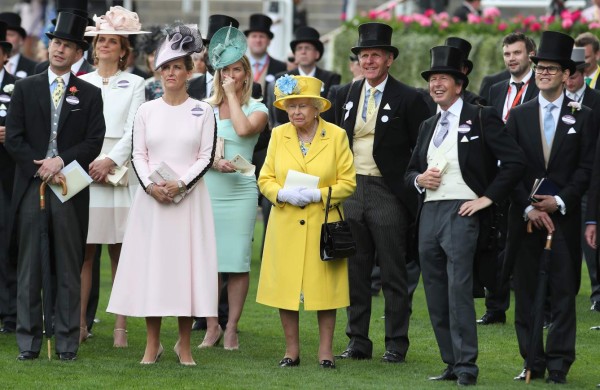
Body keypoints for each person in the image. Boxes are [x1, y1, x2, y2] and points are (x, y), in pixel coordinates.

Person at [405, 45, 525, 386]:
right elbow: (410, 170)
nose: (437, 84)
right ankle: (450, 362)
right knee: (435, 291)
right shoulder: (429, 124)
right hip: (429, 212)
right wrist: (418, 179)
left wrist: (487, 198)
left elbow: (514, 162)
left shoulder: (482, 116)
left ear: (460, 83)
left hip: (462, 211)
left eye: (444, 78)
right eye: (433, 79)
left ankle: (467, 367)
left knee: (458, 290)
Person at [106, 23, 218, 366]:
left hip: (189, 202)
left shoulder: (204, 111)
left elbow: (206, 156)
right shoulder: (146, 110)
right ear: (159, 71)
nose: (171, 73)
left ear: (189, 71)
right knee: (153, 270)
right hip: (151, 202)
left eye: (178, 67)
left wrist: (181, 184)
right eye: (166, 67)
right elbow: (138, 155)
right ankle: (151, 344)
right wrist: (152, 187)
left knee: (186, 271)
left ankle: (184, 345)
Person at [5, 11, 105, 361]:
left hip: (70, 185)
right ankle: (29, 341)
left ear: (80, 54)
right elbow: (13, 139)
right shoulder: (25, 88)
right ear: (50, 45)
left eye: (69, 46)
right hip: (33, 185)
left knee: (68, 262)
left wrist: (60, 161)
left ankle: (66, 341)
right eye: (57, 42)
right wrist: (40, 167)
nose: (60, 50)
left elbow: (94, 141)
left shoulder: (90, 94)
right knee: (30, 264)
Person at [331, 22, 430, 363]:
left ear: (390, 59)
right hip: (352, 189)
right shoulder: (343, 94)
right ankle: (357, 341)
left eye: (376, 55)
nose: (369, 61)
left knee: (392, 272)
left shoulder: (410, 97)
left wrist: (410, 186)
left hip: (389, 191)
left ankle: (396, 343)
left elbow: (423, 144)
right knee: (355, 271)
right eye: (364, 55)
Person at [504, 31, 595, 384]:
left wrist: (559, 201)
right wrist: (529, 206)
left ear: (565, 74)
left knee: (562, 289)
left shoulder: (583, 116)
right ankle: (531, 360)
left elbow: (587, 167)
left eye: (551, 69)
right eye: (539, 68)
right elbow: (509, 167)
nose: (543, 73)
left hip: (563, 219)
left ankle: (559, 362)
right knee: (525, 291)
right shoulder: (519, 115)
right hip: (527, 218)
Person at [257, 74, 356, 368]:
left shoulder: (336, 136)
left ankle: (325, 352)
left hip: (323, 224)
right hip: (285, 223)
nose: (296, 112)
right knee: (285, 289)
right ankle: (292, 351)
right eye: (291, 106)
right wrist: (283, 193)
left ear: (317, 108)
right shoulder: (278, 135)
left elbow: (348, 183)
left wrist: (318, 195)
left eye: (302, 106)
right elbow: (265, 179)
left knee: (325, 290)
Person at [78, 5, 147, 347]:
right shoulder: (81, 83)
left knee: (120, 252)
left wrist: (109, 161)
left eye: (112, 41)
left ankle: (121, 326)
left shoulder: (135, 83)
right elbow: (76, 129)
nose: (105, 45)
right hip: (86, 171)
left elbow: (135, 128)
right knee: (85, 252)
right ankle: (79, 325)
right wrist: (91, 162)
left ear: (123, 50)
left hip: (120, 172)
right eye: (101, 40)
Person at [200, 26, 269, 350]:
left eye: (236, 69)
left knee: (237, 261)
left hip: (241, 191)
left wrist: (229, 95)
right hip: (210, 188)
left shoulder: (258, 108)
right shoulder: (204, 107)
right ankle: (212, 325)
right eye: (225, 69)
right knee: (210, 260)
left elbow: (242, 130)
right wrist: (211, 161)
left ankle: (232, 328)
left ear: (245, 73)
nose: (230, 74)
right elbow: (194, 147)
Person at [478, 32, 539, 326]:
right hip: (495, 176)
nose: (511, 58)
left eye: (516, 53)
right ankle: (495, 307)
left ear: (530, 54)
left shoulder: (541, 87)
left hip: (527, 175)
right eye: (507, 54)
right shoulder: (494, 86)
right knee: (494, 242)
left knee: (527, 243)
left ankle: (544, 309)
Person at [568, 47, 600, 311]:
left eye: (574, 75)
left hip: (590, 178)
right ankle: (568, 290)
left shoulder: (596, 99)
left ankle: (597, 293)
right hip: (565, 180)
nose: (569, 81)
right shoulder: (555, 100)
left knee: (590, 239)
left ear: (582, 74)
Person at [268, 26, 341, 127]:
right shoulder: (282, 78)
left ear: (317, 54)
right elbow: (279, 114)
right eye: (299, 48)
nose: (303, 52)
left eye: (307, 48)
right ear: (295, 55)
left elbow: (330, 112)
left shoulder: (331, 78)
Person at [0, 20, 17, 335]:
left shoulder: (19, 87)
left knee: (8, 243)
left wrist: (10, 134)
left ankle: (10, 312)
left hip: (7, 177)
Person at [244, 14, 286, 94]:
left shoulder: (281, 68)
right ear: (248, 39)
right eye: (254, 36)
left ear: (269, 41)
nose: (258, 40)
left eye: (262, 36)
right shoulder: (239, 66)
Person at [0, 12, 38, 78]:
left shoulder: (35, 68)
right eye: (2, 35)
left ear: (21, 40)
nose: (5, 38)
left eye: (10, 35)